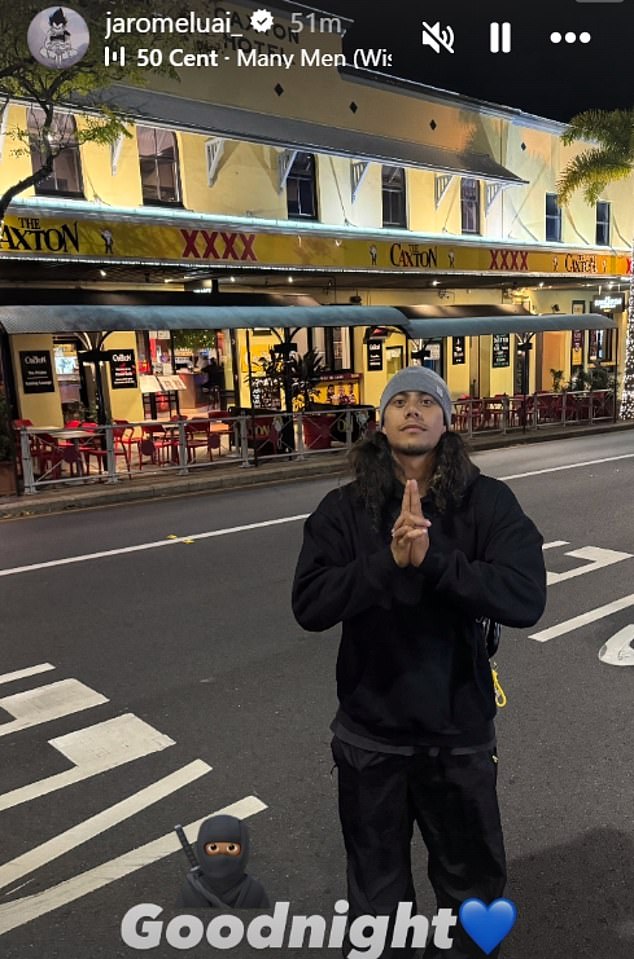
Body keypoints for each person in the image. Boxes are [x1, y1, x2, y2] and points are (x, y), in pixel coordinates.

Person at [292, 366, 546, 958]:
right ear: (380, 423)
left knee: (472, 893)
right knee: (377, 902)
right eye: (399, 401)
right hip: (370, 737)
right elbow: (309, 604)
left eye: (427, 401)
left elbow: (526, 597)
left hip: (457, 736)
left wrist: (434, 562)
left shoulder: (487, 502)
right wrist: (388, 561)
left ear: (447, 420)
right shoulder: (343, 510)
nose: (413, 410)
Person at [178, 815, 270, 909]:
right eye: (213, 848)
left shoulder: (254, 891)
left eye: (231, 848)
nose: (222, 857)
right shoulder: (253, 890)